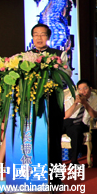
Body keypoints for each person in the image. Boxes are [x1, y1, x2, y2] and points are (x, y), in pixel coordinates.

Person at [29, 23, 69, 169]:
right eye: (36, 35)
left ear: (48, 37)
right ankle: (36, 173)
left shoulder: (58, 55)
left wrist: (53, 72)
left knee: (54, 139)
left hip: (53, 102)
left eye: (42, 34)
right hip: (32, 104)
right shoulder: (25, 56)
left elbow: (67, 75)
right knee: (34, 139)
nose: (39, 38)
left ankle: (55, 176)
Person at [63, 79, 97, 165]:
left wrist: (85, 103)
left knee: (76, 131)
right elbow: (66, 116)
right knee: (56, 127)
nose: (82, 91)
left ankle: (74, 161)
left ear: (90, 89)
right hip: (69, 123)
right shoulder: (71, 98)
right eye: (80, 89)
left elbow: (94, 115)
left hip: (83, 124)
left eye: (85, 88)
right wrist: (75, 103)